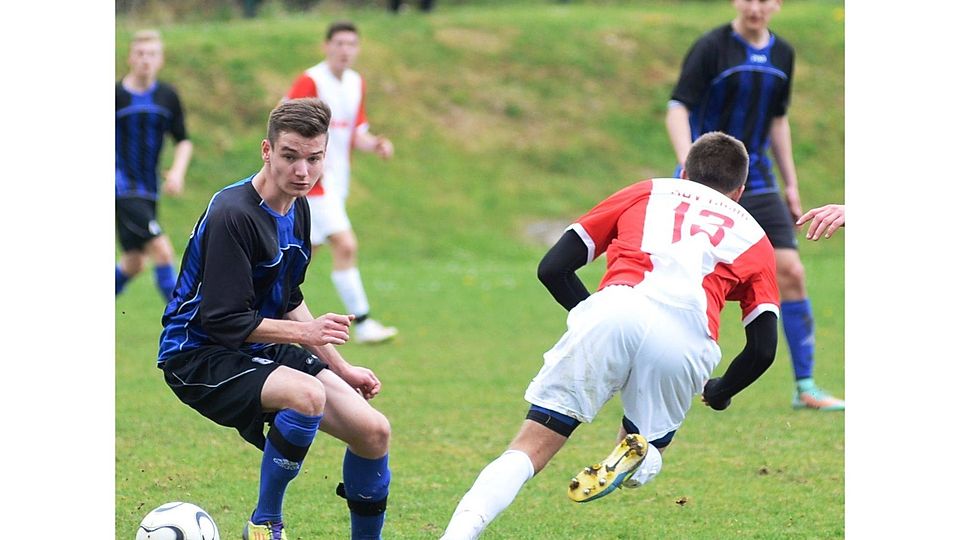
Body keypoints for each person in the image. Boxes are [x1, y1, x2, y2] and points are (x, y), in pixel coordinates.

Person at [441, 132, 781, 539]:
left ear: (684, 172)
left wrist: (591, 317)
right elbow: (763, 349)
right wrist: (721, 390)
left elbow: (553, 268)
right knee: (649, 445)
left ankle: (458, 534)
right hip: (688, 338)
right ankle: (635, 456)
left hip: (616, 308)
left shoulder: (648, 191)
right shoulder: (756, 239)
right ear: (740, 191)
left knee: (530, 447)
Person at [157, 98, 392, 540]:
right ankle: (265, 525)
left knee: (374, 431)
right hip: (197, 354)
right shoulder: (233, 213)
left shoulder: (297, 207)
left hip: (255, 346)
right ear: (267, 150)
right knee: (306, 395)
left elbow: (288, 299)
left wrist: (342, 367)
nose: (302, 171)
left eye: (314, 158)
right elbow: (225, 321)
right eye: (290, 156)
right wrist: (306, 333)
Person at [664, 0, 844, 411]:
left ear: (777, 5)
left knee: (792, 271)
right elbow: (678, 107)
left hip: (758, 182)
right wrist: (686, 164)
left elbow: (778, 121)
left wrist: (792, 183)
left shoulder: (783, 53)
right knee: (688, 274)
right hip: (706, 181)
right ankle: (664, 367)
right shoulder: (712, 47)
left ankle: (806, 387)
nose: (756, 6)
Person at [284, 21, 398, 345]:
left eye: (351, 44)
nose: (345, 50)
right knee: (346, 245)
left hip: (337, 183)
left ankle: (268, 311)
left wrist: (374, 144)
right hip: (313, 182)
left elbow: (355, 132)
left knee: (304, 254)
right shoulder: (312, 80)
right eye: (339, 43)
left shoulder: (355, 83)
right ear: (326, 46)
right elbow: (284, 120)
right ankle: (363, 322)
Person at [116, 29, 193, 302]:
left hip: (150, 189)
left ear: (160, 60)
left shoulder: (167, 96)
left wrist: (177, 172)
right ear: (130, 58)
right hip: (122, 188)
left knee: (133, 262)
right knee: (162, 251)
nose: (145, 60)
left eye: (151, 54)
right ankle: (183, 321)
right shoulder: (116, 96)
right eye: (140, 54)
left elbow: (183, 140)